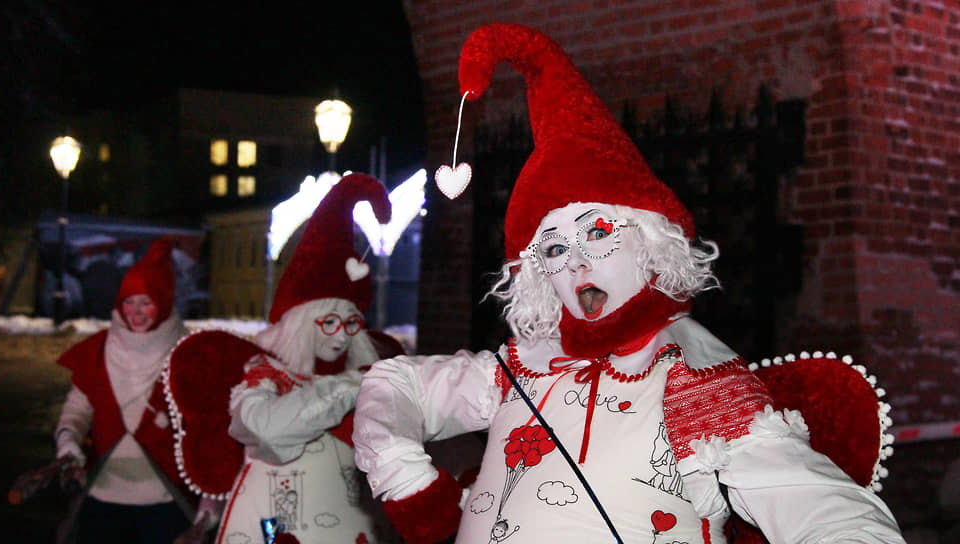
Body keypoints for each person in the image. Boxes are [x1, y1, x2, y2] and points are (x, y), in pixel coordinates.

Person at [352, 23, 906, 544]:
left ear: (652, 240)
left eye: (598, 229)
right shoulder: (520, 367)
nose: (575, 261)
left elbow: (829, 514)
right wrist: (403, 476)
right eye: (553, 246)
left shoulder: (697, 381)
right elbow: (395, 386)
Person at [207, 173, 398, 543]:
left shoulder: (369, 375)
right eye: (328, 321)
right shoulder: (265, 374)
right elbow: (267, 430)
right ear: (300, 322)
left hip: (347, 527)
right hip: (272, 528)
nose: (342, 334)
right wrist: (349, 386)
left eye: (351, 322)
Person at [54, 239, 218, 543]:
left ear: (164, 302)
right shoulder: (98, 350)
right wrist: (67, 440)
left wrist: (210, 495)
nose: (136, 312)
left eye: (147, 302)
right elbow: (76, 408)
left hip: (166, 502)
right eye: (129, 301)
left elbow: (208, 429)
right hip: (102, 498)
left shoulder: (187, 354)